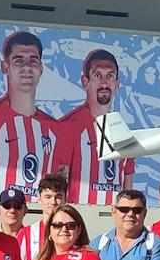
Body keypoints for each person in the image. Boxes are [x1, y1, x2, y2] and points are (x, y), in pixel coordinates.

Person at [0, 31, 59, 197]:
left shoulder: (53, 127)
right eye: (19, 60)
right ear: (5, 67)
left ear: (41, 68)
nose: (26, 67)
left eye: (33, 61)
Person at [55, 49, 135, 205]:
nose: (104, 83)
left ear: (117, 83)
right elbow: (60, 185)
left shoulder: (123, 130)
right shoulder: (68, 126)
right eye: (98, 76)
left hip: (114, 221)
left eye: (110, 76)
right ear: (86, 82)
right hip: (78, 220)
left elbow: (127, 184)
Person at [15, 175, 67, 260]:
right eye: (48, 197)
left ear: (65, 199)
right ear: (39, 198)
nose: (53, 202)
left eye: (58, 197)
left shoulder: (72, 232)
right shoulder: (27, 234)